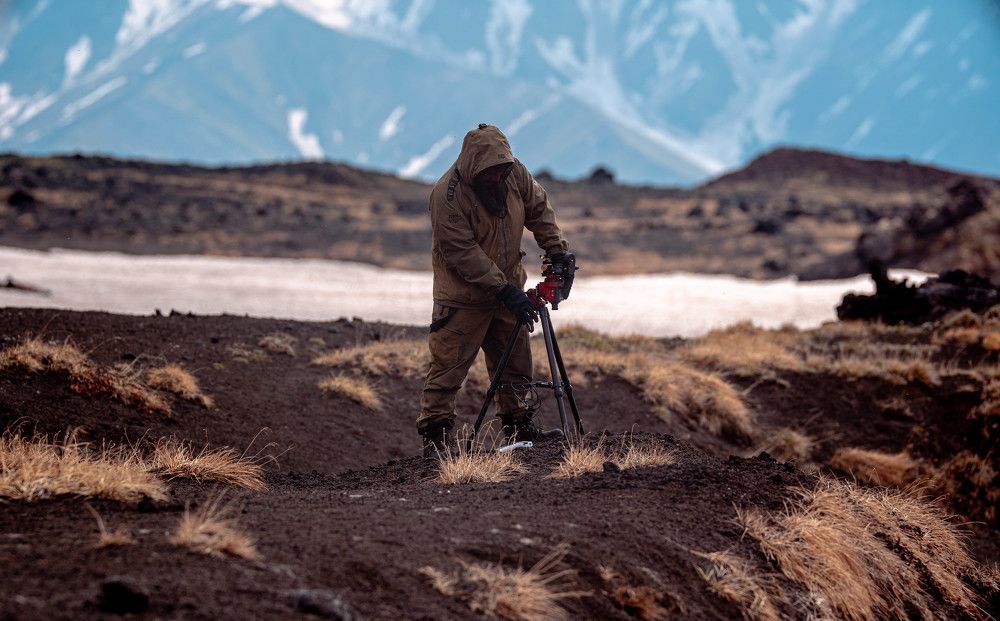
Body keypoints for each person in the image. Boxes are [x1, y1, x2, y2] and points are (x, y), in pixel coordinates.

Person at [417, 123, 573, 458]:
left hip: (508, 292)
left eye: (504, 169)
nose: (499, 177)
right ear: (475, 167)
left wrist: (557, 251)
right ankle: (436, 438)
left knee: (516, 361)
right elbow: (462, 253)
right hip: (462, 298)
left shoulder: (514, 173)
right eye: (493, 172)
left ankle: (519, 428)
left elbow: (540, 210)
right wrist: (505, 290)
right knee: (448, 368)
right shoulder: (448, 195)